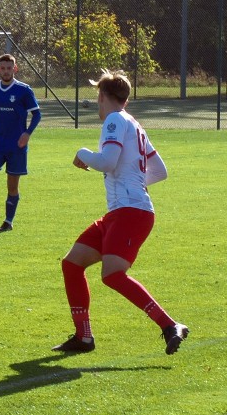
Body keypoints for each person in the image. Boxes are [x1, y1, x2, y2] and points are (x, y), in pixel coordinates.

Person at [52, 69, 189, 355]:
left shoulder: (114, 120)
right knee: (72, 263)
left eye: (97, 96)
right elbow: (160, 171)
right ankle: (84, 337)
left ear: (103, 95)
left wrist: (82, 152)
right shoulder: (134, 124)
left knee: (113, 274)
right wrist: (135, 183)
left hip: (130, 212)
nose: (98, 102)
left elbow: (108, 162)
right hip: (122, 211)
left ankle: (169, 325)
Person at [0, 53, 41, 233]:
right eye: (2, 68)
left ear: (15, 69)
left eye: (9, 68)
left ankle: (9, 221)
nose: (5, 71)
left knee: (12, 186)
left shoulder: (24, 90)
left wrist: (27, 134)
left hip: (17, 145)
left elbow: (37, 114)